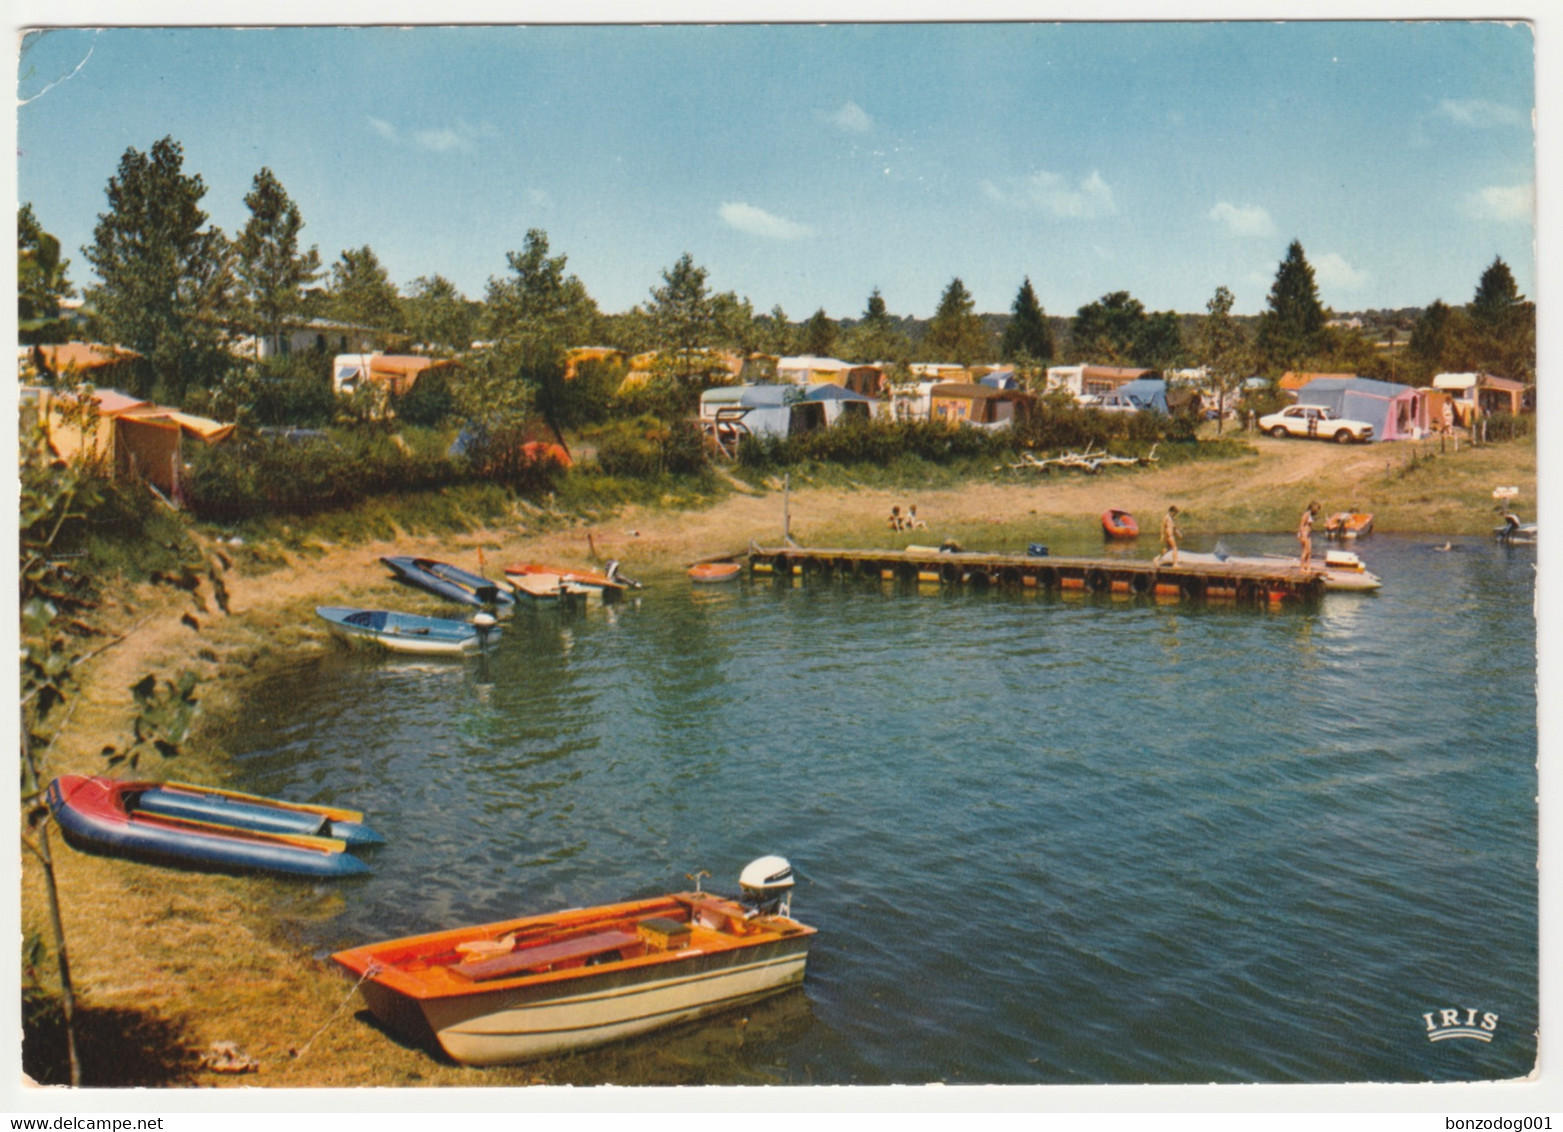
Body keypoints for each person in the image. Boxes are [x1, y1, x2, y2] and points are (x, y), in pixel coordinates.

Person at [1298, 501, 1321, 567]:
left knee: (1309, 552)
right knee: (1305, 551)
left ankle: (1308, 567)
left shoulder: (1310, 515)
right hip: (1304, 534)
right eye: (1317, 508)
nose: (1317, 510)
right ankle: (1302, 567)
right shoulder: (1306, 514)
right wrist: (1302, 535)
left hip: (1308, 534)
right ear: (1313, 508)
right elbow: (1301, 525)